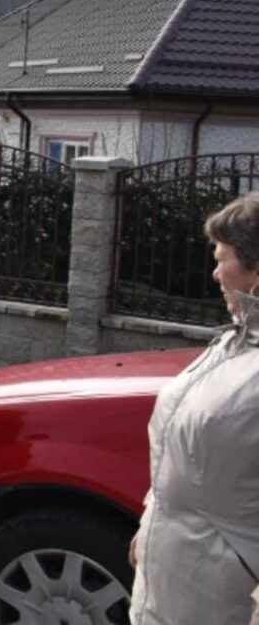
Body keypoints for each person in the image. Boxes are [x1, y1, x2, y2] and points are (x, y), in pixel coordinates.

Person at [130, 193, 259, 624]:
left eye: (223, 258)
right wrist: (154, 517)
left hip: (224, 593)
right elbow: (179, 448)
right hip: (173, 573)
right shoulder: (231, 344)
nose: (215, 272)